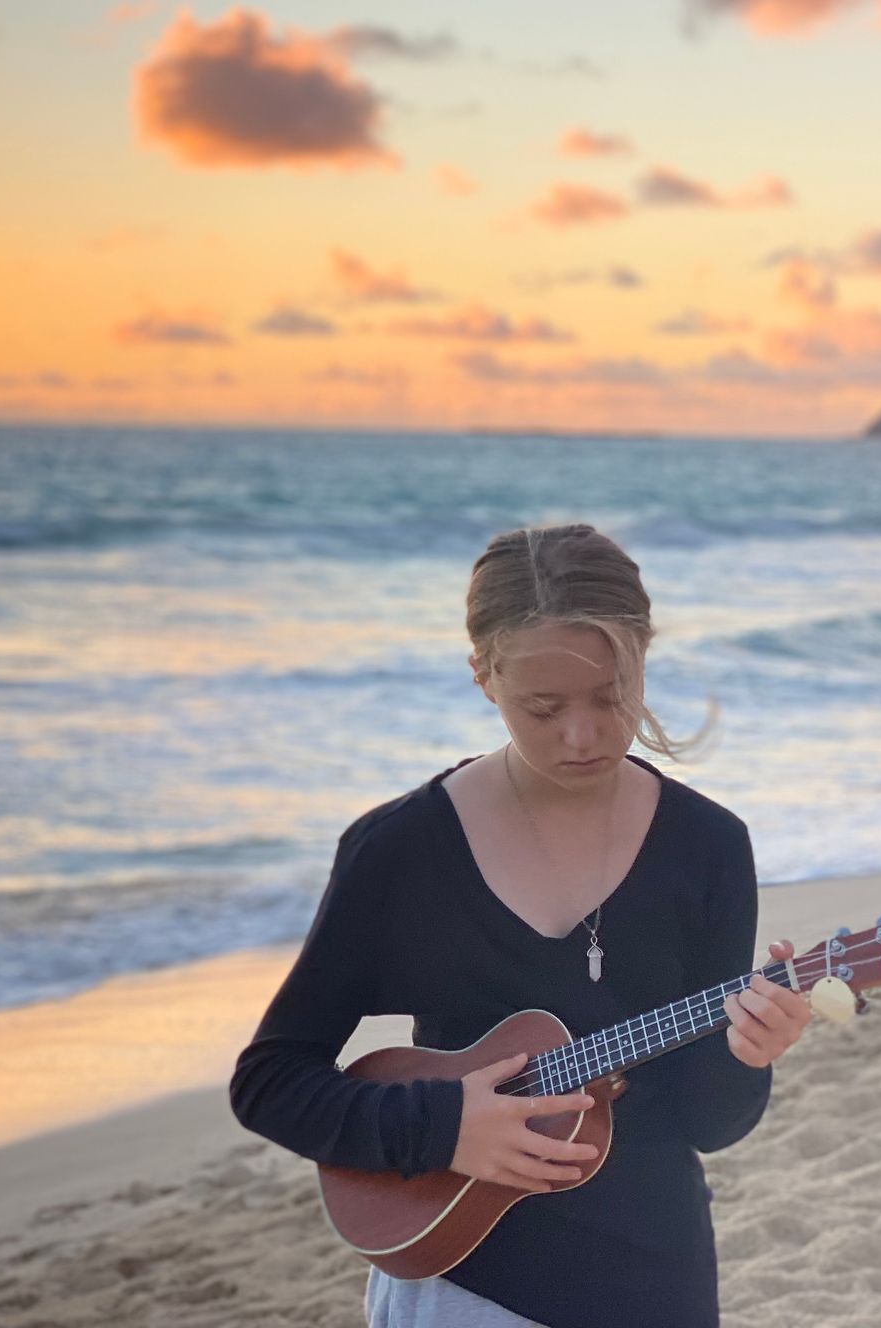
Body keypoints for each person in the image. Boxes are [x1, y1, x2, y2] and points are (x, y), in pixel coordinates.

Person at [229, 523, 811, 1327]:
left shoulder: (708, 845)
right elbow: (271, 1081)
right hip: (464, 1278)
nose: (583, 734)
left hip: (656, 1275)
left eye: (611, 697)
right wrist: (443, 1130)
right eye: (543, 707)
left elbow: (711, 1124)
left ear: (642, 656)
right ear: (483, 677)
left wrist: (750, 1052)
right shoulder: (400, 851)